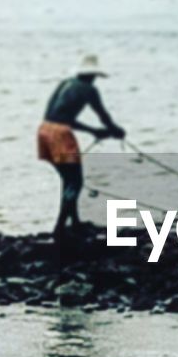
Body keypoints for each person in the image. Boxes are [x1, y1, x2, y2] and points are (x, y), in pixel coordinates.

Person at [37, 54, 125, 234]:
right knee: (75, 182)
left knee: (68, 179)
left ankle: (74, 221)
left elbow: (56, 116)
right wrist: (114, 130)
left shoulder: (65, 83)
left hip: (44, 130)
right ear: (92, 75)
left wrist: (94, 131)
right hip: (60, 134)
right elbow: (103, 116)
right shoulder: (89, 90)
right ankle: (60, 227)